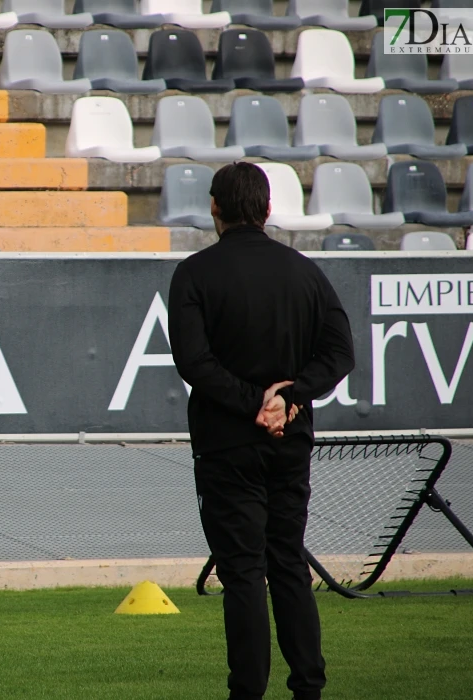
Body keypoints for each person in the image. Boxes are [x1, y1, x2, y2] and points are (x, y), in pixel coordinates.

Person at [167, 162, 355, 700]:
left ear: (214, 208)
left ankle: (247, 691)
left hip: (227, 444)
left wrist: (255, 404)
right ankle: (309, 687)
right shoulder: (304, 272)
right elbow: (340, 354)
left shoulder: (195, 274)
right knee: (289, 562)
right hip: (290, 443)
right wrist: (291, 397)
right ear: (269, 209)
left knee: (244, 572)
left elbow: (194, 363)